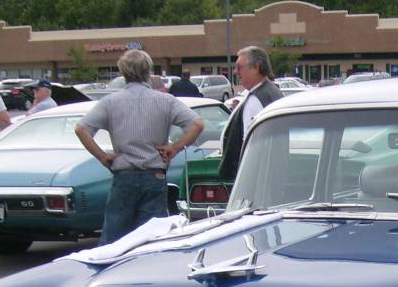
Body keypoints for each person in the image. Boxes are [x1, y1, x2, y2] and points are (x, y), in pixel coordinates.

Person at [74, 48, 204, 245]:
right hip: (154, 175)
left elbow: (81, 128)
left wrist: (102, 156)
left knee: (114, 239)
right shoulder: (166, 101)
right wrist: (175, 147)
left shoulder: (110, 102)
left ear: (123, 72)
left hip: (124, 175)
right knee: (150, 237)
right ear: (148, 71)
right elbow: (197, 124)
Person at [218, 46, 284, 182]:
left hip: (254, 178)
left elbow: (250, 145)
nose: (235, 72)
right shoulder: (271, 91)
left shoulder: (256, 99)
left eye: (239, 67)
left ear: (256, 68)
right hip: (271, 174)